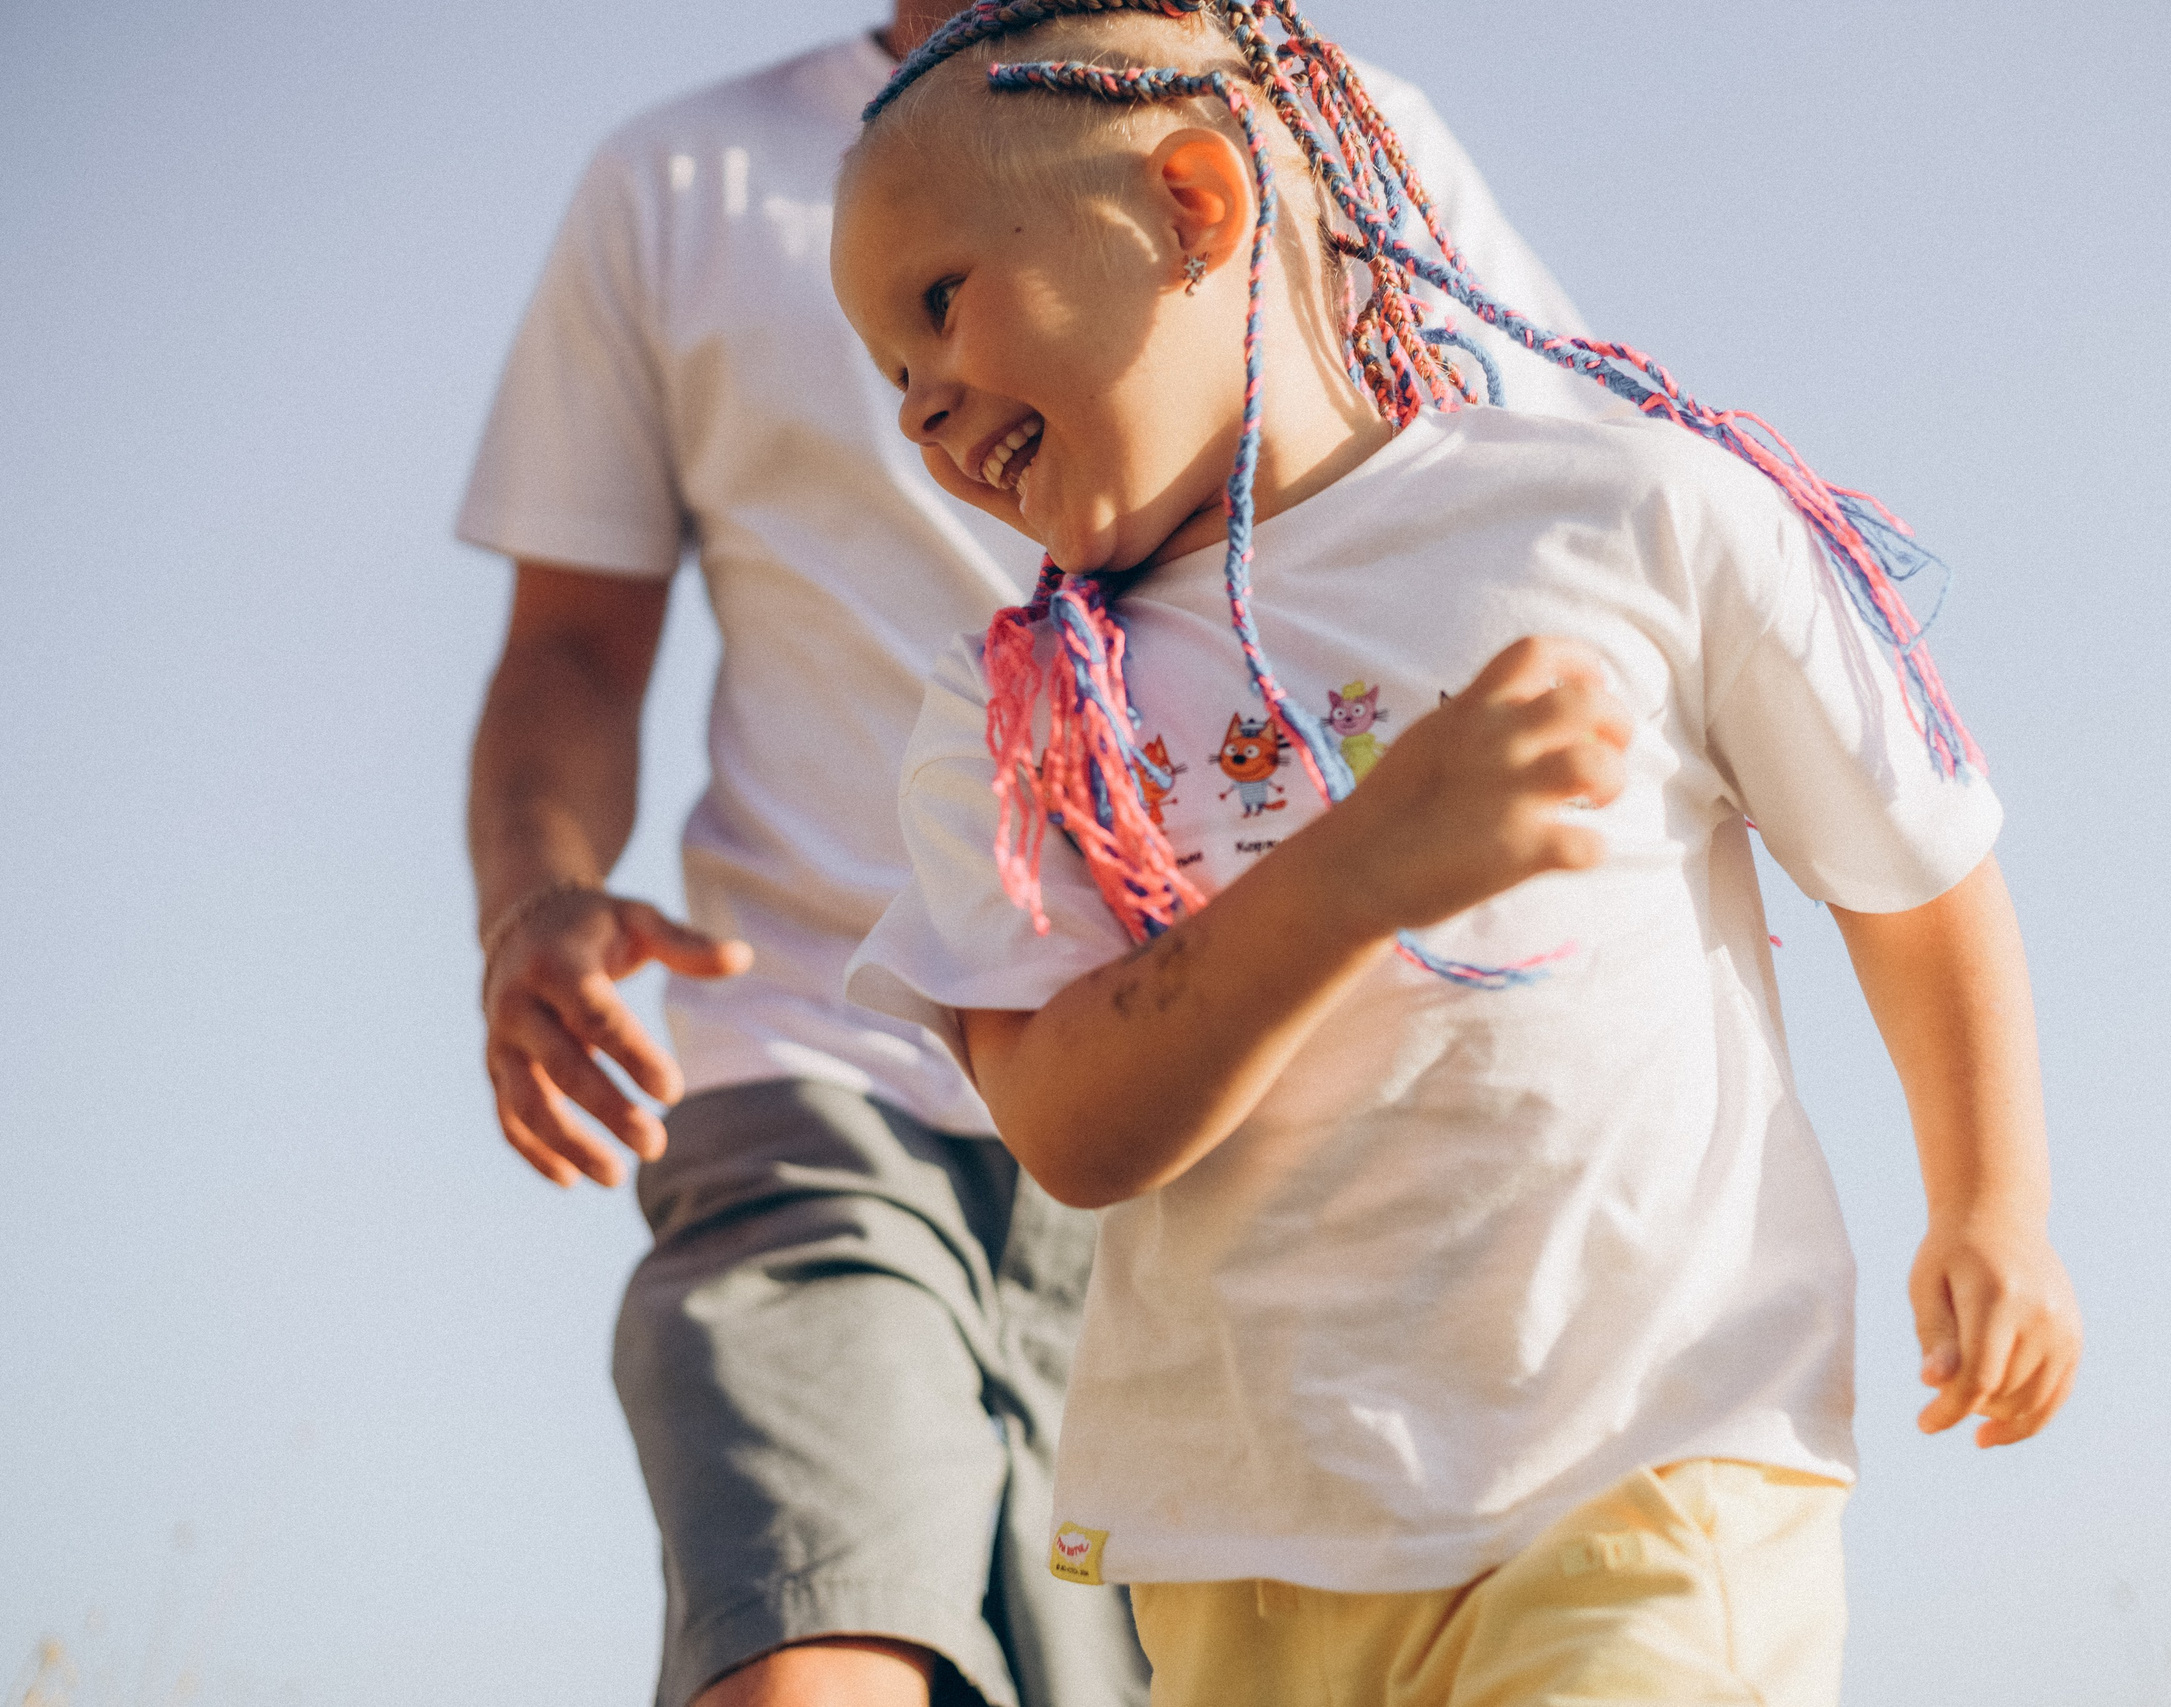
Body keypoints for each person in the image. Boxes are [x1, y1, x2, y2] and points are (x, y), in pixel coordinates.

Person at [834, 5, 2083, 1704]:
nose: (917, 407)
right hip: (1249, 1563)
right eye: (888, 369)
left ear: (1192, 206)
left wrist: (1993, 1199)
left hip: (1645, 1467)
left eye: (938, 305)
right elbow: (1070, 1128)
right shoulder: (1022, 719)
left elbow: (1914, 864)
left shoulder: (1635, 514)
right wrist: (1363, 869)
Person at [456, 2, 1597, 1703]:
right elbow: (569, 648)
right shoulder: (679, 182)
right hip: (826, 1060)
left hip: (1252, 1094)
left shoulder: (1323, 130)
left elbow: (1543, 513)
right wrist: (535, 902)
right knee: (802, 1660)